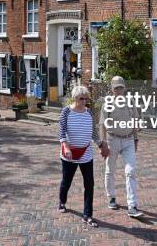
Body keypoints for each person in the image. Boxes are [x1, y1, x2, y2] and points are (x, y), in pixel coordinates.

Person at [58, 85, 109, 228]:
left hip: (86, 153)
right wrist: (66, 147)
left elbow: (93, 131)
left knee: (89, 184)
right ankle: (62, 201)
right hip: (69, 154)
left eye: (86, 99)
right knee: (66, 181)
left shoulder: (88, 113)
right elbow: (61, 132)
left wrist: (100, 144)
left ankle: (88, 215)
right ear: (75, 98)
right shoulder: (66, 112)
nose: (84, 101)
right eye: (81, 98)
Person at [99, 76, 143, 218]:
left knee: (131, 171)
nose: (118, 90)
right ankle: (111, 196)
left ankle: (132, 205)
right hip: (112, 140)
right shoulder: (108, 103)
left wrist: (136, 139)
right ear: (112, 89)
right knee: (110, 169)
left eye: (121, 87)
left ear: (124, 88)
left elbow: (135, 121)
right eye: (116, 87)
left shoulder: (130, 101)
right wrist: (102, 142)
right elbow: (102, 124)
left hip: (129, 140)